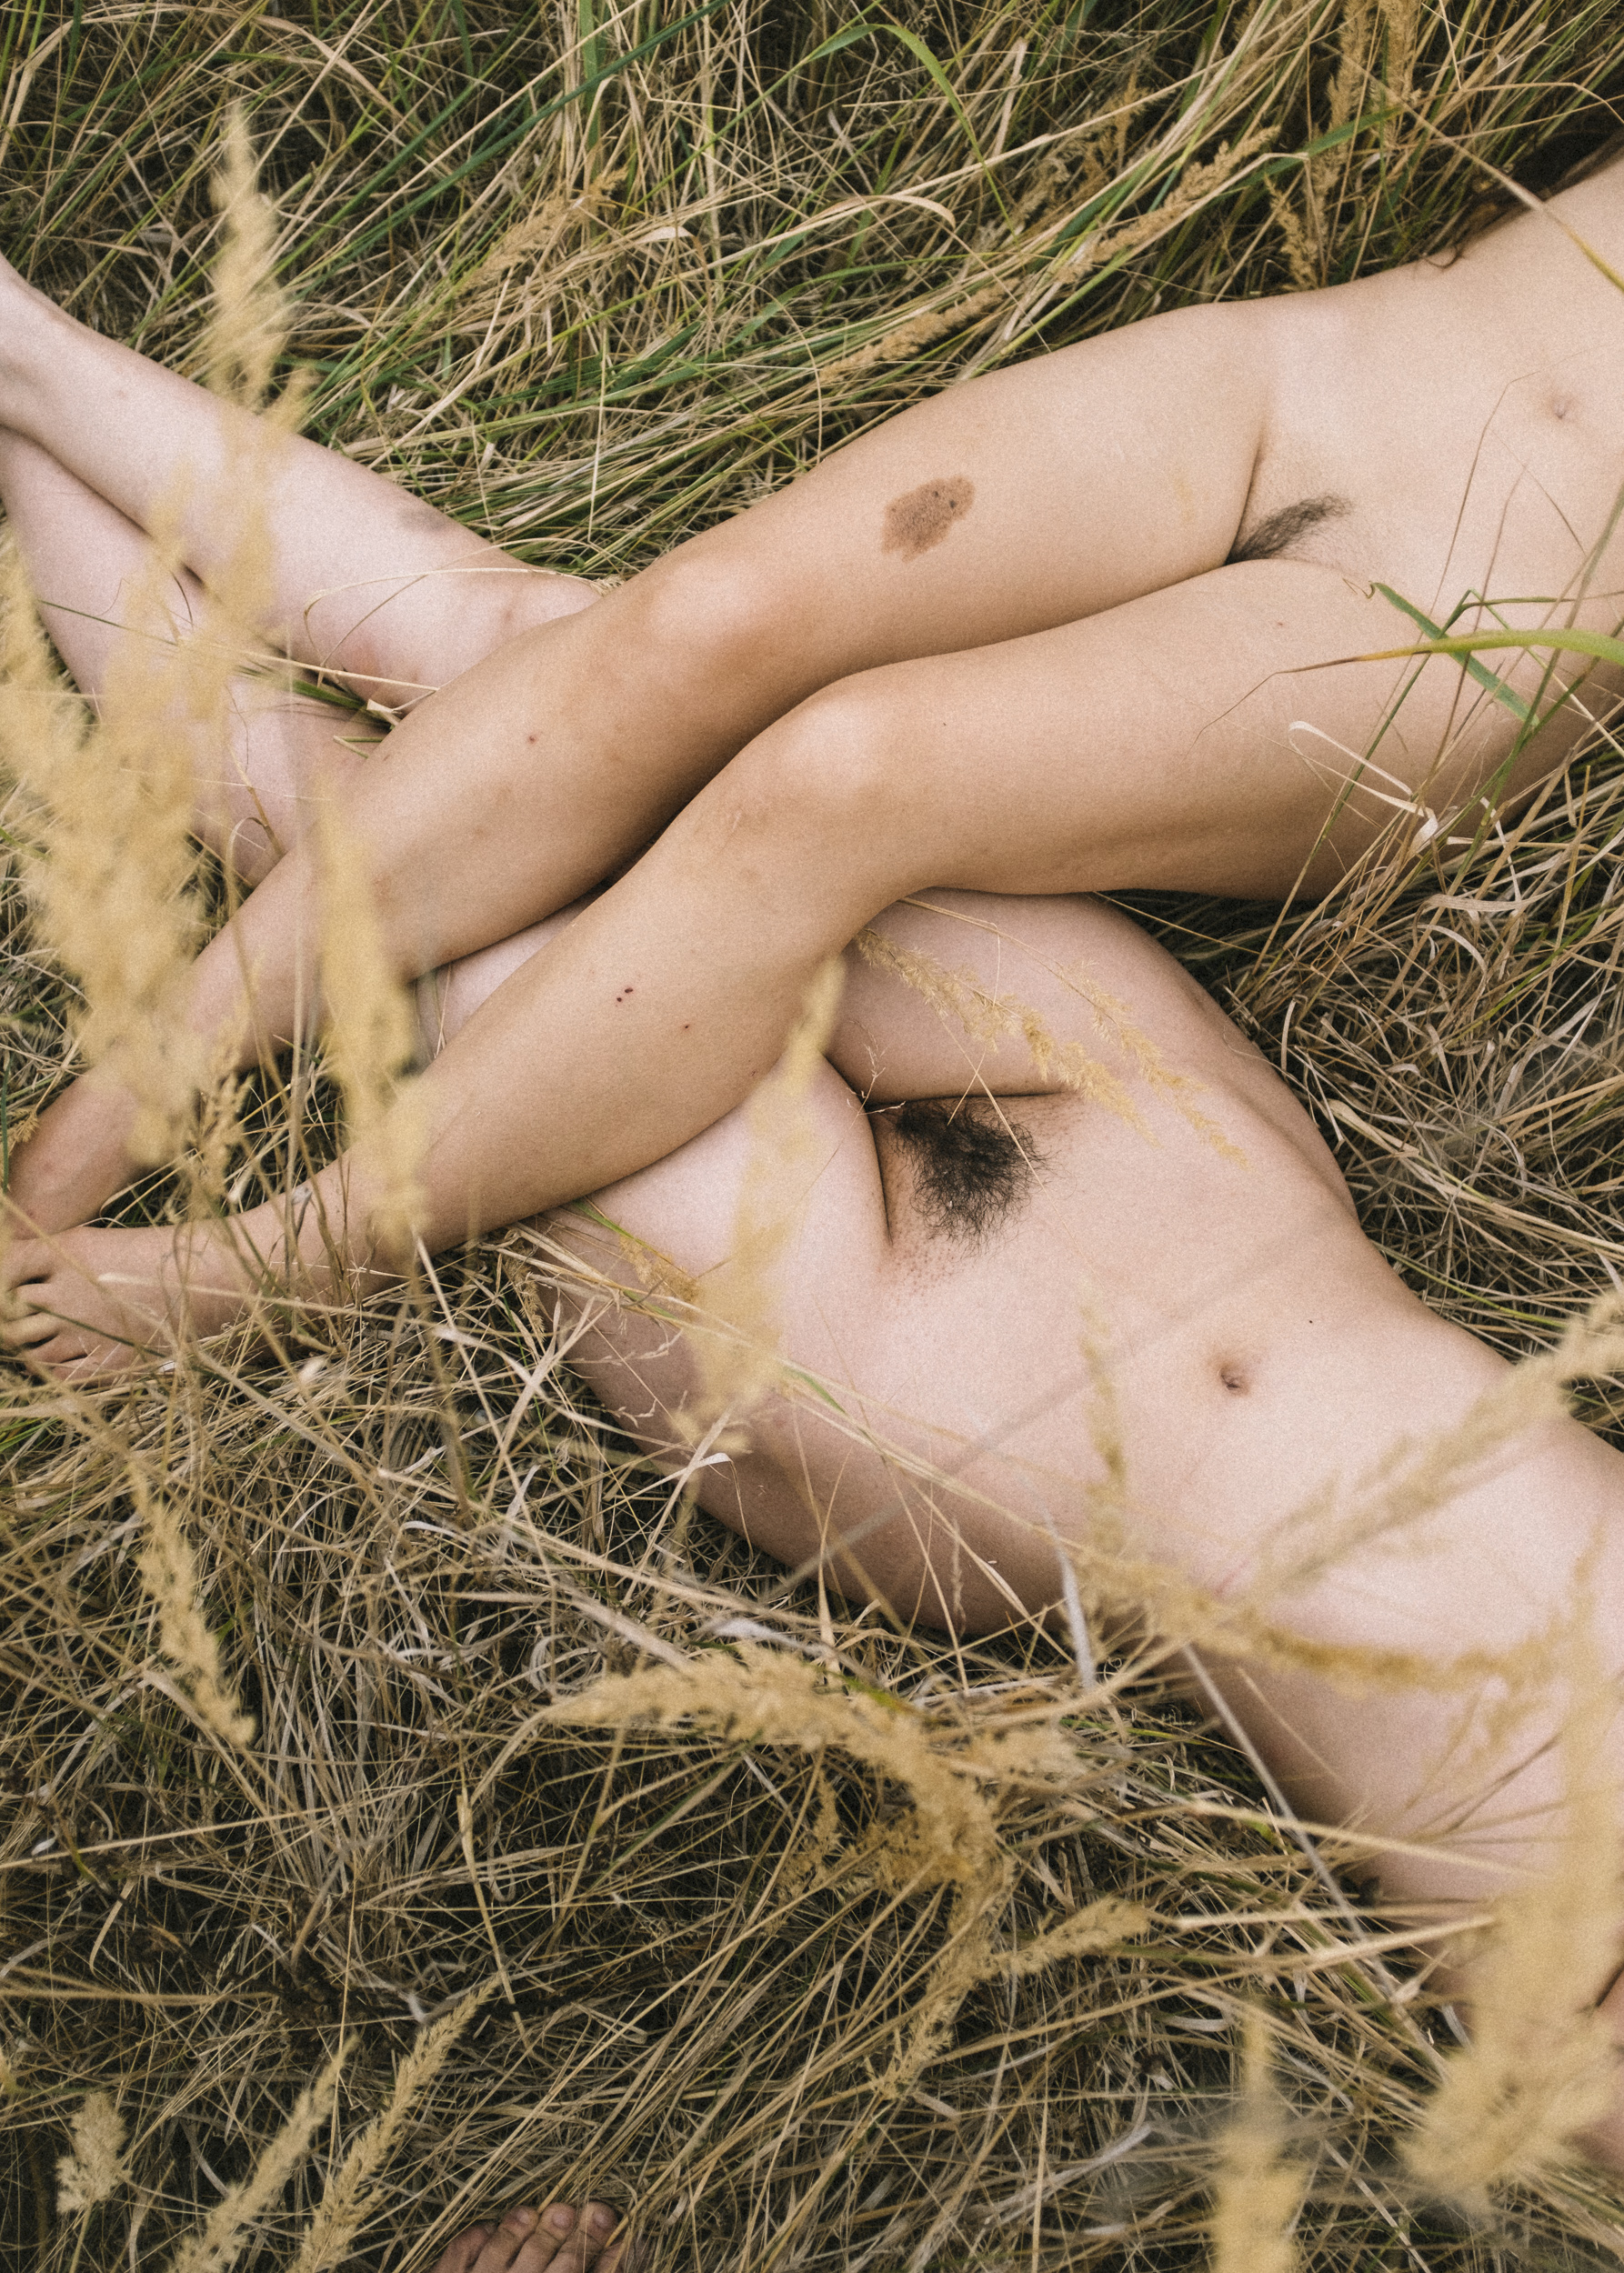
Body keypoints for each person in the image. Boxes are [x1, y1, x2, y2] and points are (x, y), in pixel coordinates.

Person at [3, 153, 1624, 1350]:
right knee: (701, 622)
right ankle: (123, 1097)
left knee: (847, 770)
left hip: (1478, 625)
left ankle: (286, 1264)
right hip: (1346, 364)